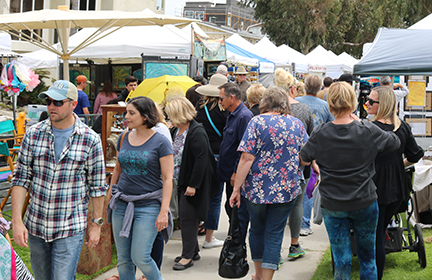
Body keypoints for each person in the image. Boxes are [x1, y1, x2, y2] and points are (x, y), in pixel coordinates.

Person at [300, 82, 400, 280]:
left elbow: (304, 157)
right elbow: (394, 143)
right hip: (364, 201)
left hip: (333, 203)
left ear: (330, 104)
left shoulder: (321, 133)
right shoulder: (367, 130)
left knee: (342, 259)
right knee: (367, 257)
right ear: (353, 103)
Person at [11, 80, 107, 280]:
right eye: (48, 101)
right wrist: (17, 220)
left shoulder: (90, 139)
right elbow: (21, 179)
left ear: (73, 104)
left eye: (57, 102)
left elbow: (97, 188)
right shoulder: (34, 133)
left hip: (69, 227)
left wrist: (96, 225)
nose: (51, 106)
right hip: (36, 224)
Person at [230, 86, 310, 280]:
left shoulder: (256, 122)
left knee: (256, 230)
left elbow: (246, 159)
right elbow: (306, 159)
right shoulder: (296, 124)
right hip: (286, 189)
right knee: (275, 233)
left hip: (256, 189)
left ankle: (258, 275)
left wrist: (236, 188)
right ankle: (266, 278)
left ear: (265, 101)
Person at [108, 96, 173, 280]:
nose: (126, 117)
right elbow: (117, 170)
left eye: (131, 113)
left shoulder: (161, 141)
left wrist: (163, 211)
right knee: (123, 260)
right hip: (121, 204)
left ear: (145, 116)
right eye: (126, 112)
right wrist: (110, 196)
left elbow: (168, 179)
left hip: (149, 206)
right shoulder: (123, 137)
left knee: (140, 257)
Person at [366, 86, 424, 280]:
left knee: (376, 234)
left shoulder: (371, 129)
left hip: (375, 186)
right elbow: (415, 154)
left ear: (383, 105)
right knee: (379, 231)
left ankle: (376, 275)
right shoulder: (402, 126)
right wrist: (399, 164)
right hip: (396, 187)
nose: (366, 103)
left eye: (371, 101)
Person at [165, 97, 218, 271]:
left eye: (171, 115)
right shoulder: (178, 130)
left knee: (188, 220)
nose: (168, 118)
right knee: (187, 218)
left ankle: (187, 256)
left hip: (192, 184)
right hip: (182, 182)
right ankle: (192, 250)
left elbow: (201, 161)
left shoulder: (197, 132)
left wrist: (193, 185)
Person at [274, 68, 314, 259]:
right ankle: (294, 243)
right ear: (291, 89)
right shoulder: (303, 110)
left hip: (274, 166)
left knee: (276, 207)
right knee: (297, 202)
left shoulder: (268, 110)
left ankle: (275, 250)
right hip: (300, 164)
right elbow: (311, 138)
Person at [296, 74, 334, 237]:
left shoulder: (296, 103)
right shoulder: (325, 106)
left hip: (297, 149)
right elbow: (331, 124)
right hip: (318, 149)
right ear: (320, 88)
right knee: (309, 186)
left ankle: (293, 219)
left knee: (295, 184)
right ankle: (304, 223)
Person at [195, 74, 229, 248]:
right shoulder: (224, 111)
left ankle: (195, 229)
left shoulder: (199, 107)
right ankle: (209, 238)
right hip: (217, 156)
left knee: (197, 193)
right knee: (215, 197)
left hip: (199, 156)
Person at [218, 82, 253, 245]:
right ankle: (235, 240)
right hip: (228, 173)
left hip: (235, 175)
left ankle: (238, 244)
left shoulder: (244, 116)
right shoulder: (233, 115)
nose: (220, 102)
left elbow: (244, 150)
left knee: (237, 211)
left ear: (231, 98)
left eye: (221, 98)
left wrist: (236, 174)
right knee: (230, 208)